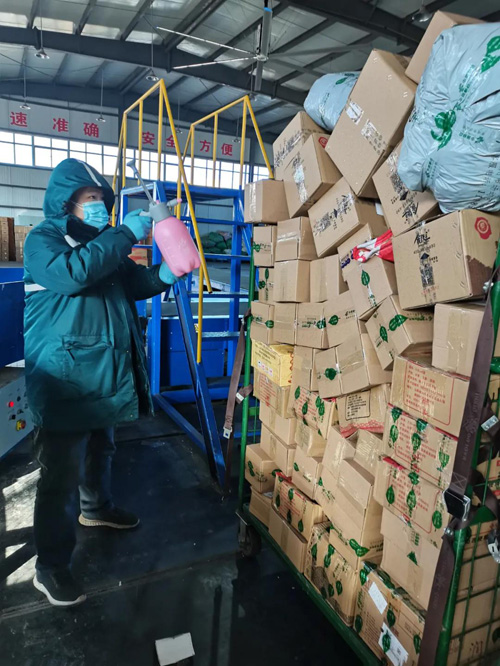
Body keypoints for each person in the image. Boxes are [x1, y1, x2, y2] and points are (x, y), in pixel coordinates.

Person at [24, 158, 180, 607]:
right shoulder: (43, 239)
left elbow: (135, 283)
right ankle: (50, 566)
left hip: (100, 368)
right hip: (65, 373)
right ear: (67, 202)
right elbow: (73, 275)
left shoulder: (103, 243)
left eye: (101, 199)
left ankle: (96, 509)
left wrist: (165, 275)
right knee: (60, 471)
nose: (99, 206)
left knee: (100, 447)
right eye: (90, 198)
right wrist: (126, 233)